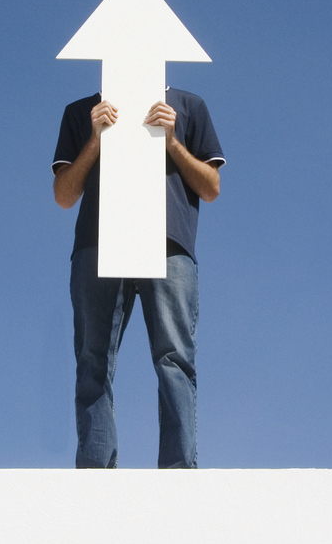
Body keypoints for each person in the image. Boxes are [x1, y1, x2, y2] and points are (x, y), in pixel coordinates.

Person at [52, 89, 225, 468]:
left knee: (174, 358)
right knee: (92, 358)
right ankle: (96, 471)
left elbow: (211, 188)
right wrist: (96, 140)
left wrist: (172, 143)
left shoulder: (189, 106)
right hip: (97, 243)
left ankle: (178, 471)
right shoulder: (81, 111)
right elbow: (64, 196)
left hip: (168, 243)